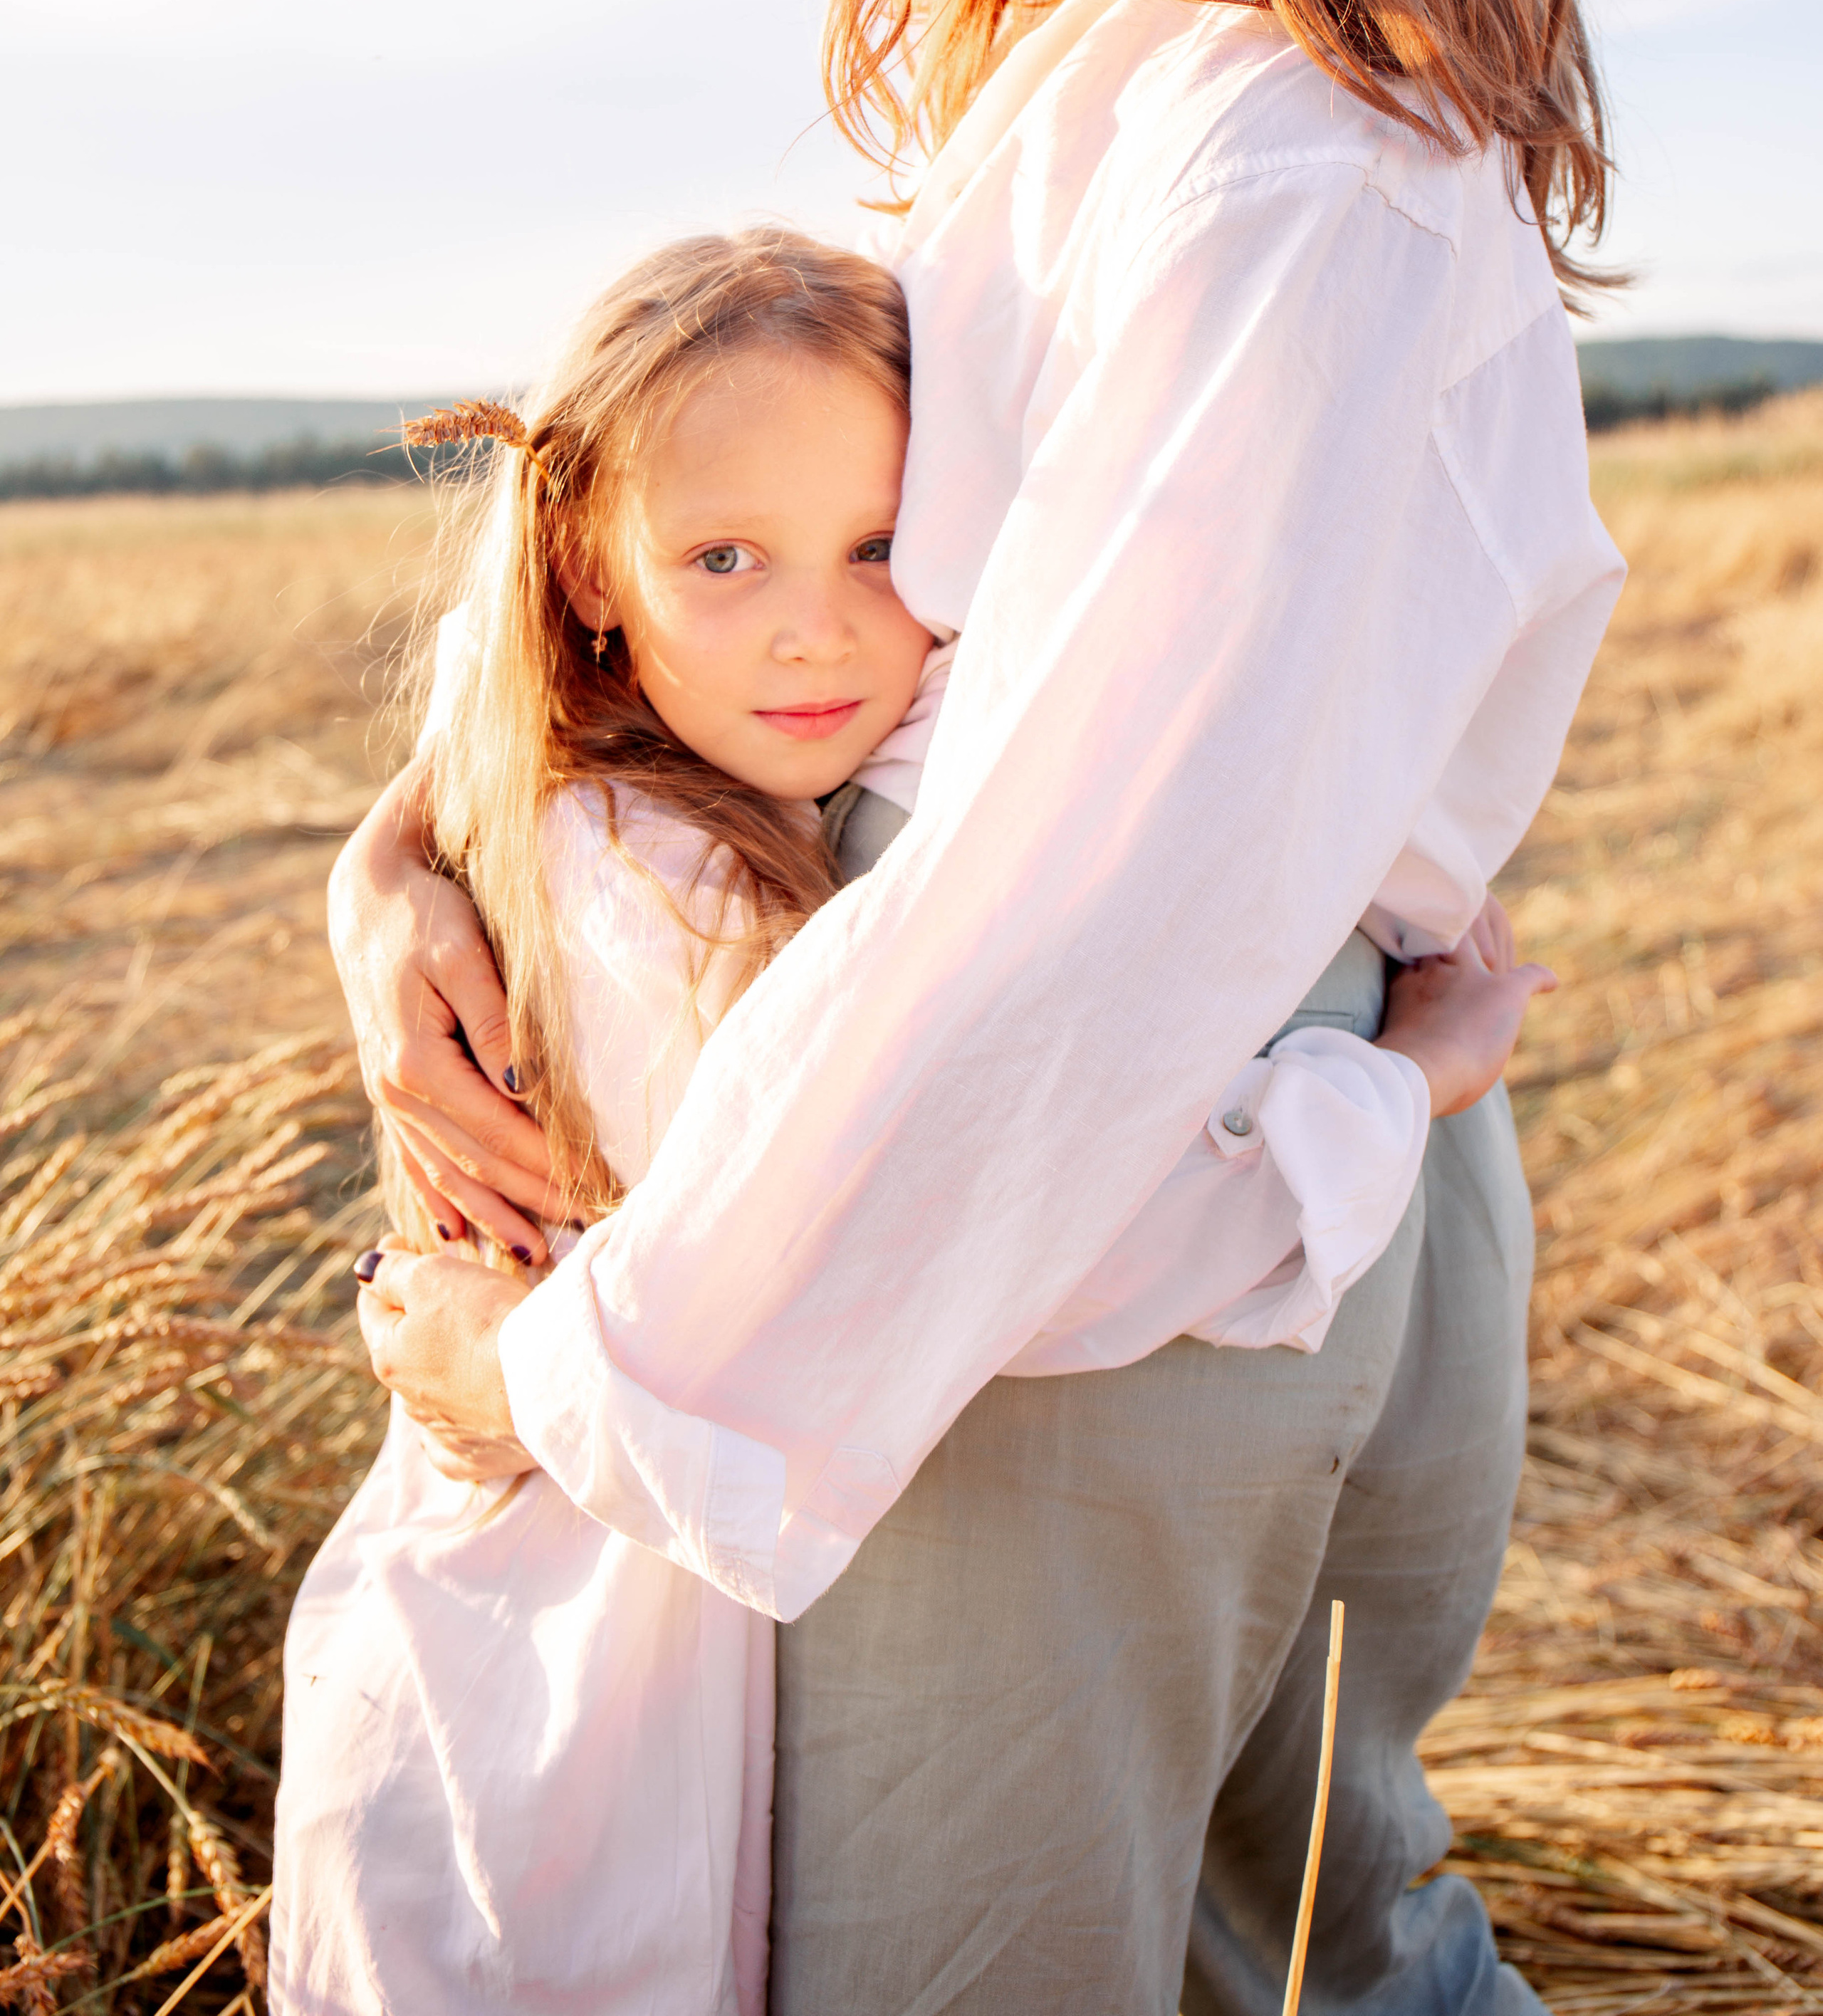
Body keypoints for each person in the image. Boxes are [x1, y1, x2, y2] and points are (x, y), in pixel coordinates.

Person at [334, 0, 1626, 2008]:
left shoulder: (1293, 163)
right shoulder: (1151, 82)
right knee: (1299, 1945)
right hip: (1157, 1161)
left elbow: (1060, 910)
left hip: (1065, 1234)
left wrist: (549, 1377)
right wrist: (413, 860)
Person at [275, 227, 1542, 2015]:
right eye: (725, 557)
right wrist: (1409, 1076)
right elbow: (1050, 1261)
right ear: (584, 570)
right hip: (569, 1699)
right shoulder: (655, 891)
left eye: (881, 547)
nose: (818, 624)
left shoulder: (751, 756)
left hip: (657, 1618)